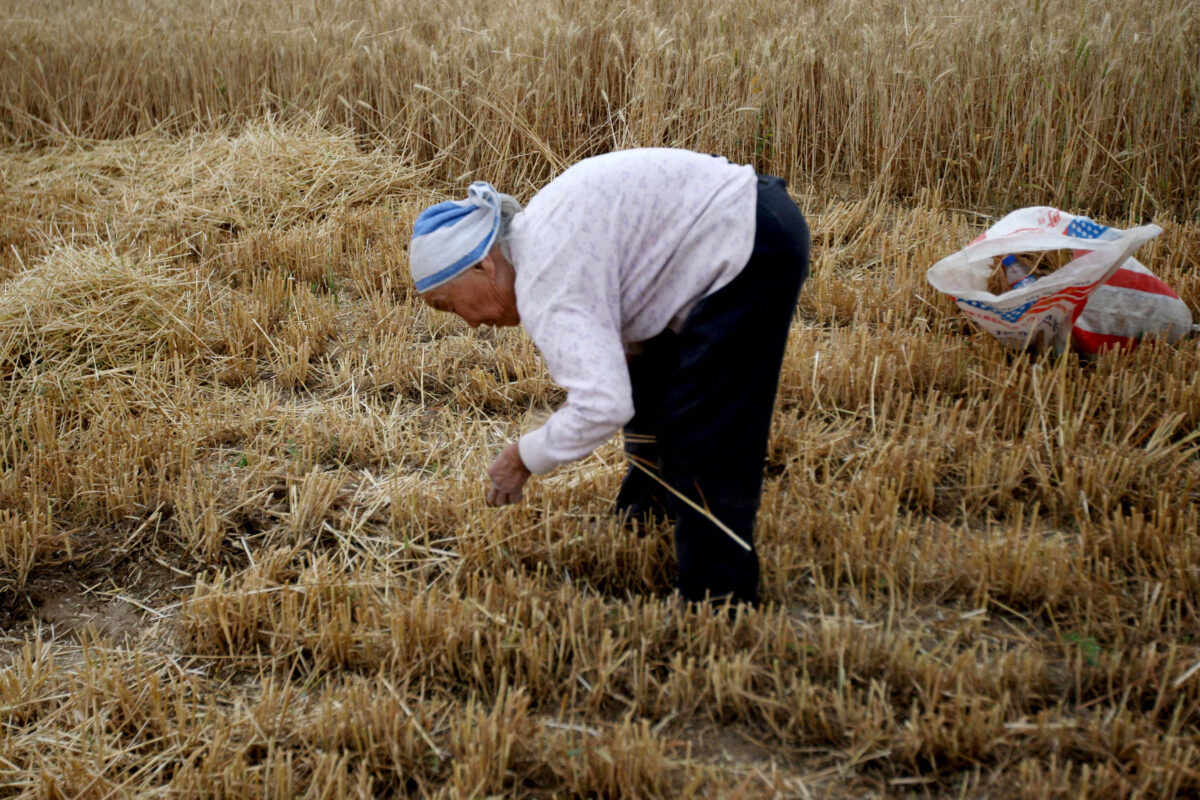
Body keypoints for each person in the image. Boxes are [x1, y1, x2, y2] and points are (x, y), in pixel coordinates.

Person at [409, 149, 809, 606]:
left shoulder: (544, 281)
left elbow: (603, 405)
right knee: (651, 386)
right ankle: (645, 518)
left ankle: (717, 601)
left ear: (482, 265)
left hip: (748, 241)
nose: (468, 323)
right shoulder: (541, 238)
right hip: (754, 213)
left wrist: (524, 457)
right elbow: (628, 344)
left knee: (704, 435)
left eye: (448, 304)